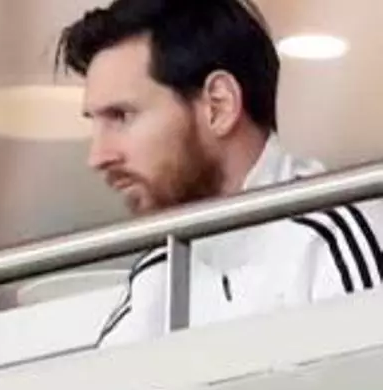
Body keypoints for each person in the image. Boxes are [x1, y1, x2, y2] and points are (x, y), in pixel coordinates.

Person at [57, 0, 383, 347]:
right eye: (95, 123)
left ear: (219, 106)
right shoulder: (159, 274)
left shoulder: (330, 241)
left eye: (121, 116)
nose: (97, 157)